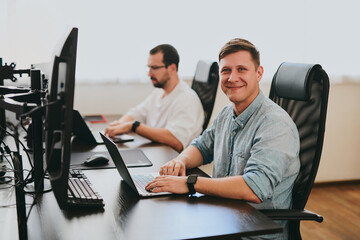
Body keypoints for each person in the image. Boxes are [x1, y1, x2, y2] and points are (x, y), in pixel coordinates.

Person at [145, 38, 300, 239]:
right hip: (222, 219)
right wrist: (179, 161)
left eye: (241, 69)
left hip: (253, 231)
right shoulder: (227, 113)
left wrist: (189, 183)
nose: (232, 77)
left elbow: (254, 187)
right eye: (226, 70)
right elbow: (201, 147)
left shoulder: (275, 124)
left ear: (259, 73)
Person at [105, 44, 204, 152]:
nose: (149, 73)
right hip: (157, 153)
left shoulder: (187, 99)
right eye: (149, 67)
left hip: (173, 162)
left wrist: (133, 127)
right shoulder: (158, 92)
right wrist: (120, 124)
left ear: (172, 68)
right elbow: (136, 113)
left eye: (155, 68)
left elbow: (176, 141)